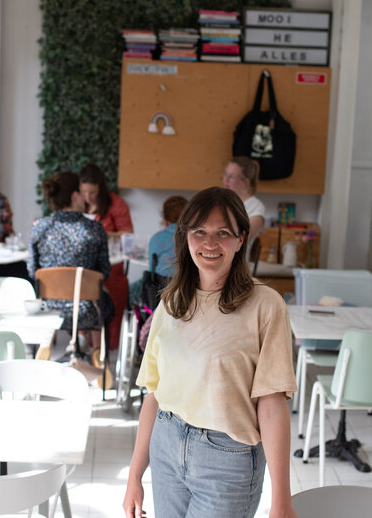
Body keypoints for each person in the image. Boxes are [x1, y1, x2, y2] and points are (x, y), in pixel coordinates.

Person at [123, 187, 297, 518]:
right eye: (199, 231)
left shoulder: (266, 305)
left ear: (241, 239)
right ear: (185, 236)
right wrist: (134, 475)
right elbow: (154, 395)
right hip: (166, 443)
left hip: (226, 458)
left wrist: (281, 500)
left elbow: (273, 406)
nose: (209, 243)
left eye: (223, 233)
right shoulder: (171, 301)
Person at [27, 171, 114, 361]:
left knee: (51, 295)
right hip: (87, 312)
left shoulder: (40, 227)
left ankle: (45, 344)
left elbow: (32, 270)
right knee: (99, 295)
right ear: (75, 196)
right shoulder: (94, 229)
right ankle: (98, 352)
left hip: (48, 310)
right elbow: (105, 272)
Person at [80, 164, 132, 349]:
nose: (87, 197)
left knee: (111, 294)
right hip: (84, 266)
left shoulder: (115, 203)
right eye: (84, 192)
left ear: (100, 189)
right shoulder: (78, 202)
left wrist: (107, 234)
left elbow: (128, 234)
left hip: (110, 266)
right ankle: (82, 339)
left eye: (92, 192)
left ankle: (105, 346)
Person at [223, 156, 266, 248]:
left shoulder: (256, 207)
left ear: (245, 182)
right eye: (225, 174)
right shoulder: (220, 201)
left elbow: (243, 239)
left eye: (231, 177)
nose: (225, 180)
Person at [147, 195, 187, 277]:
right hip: (188, 285)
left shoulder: (156, 238)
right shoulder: (195, 237)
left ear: (165, 220)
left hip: (161, 286)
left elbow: (151, 269)